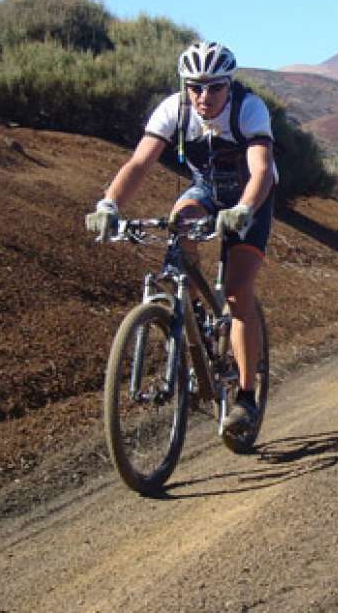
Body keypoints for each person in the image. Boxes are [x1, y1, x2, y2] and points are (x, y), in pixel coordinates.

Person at [85, 41, 277, 436]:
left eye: (215, 87)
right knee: (180, 220)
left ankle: (245, 397)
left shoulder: (249, 108)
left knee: (239, 291)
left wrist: (242, 209)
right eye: (195, 86)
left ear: (229, 84)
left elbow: (260, 170)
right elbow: (140, 161)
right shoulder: (175, 109)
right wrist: (109, 204)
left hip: (249, 195)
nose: (204, 96)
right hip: (207, 189)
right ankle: (189, 316)